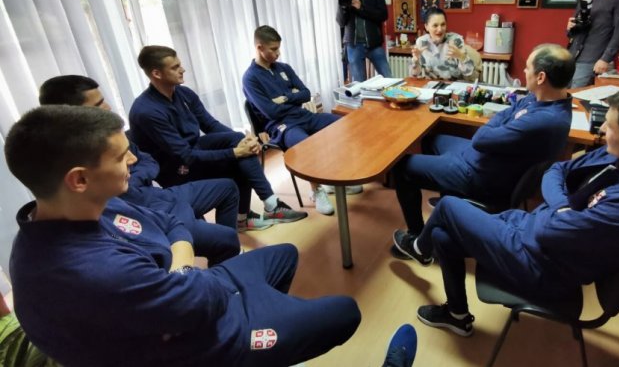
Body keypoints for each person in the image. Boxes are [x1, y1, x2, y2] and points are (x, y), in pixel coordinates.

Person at [6, 105, 361, 366]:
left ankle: (268, 340)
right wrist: (185, 280)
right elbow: (199, 300)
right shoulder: (83, 270)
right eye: (120, 156)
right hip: (199, 345)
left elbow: (170, 223)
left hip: (193, 299)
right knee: (345, 312)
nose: (133, 160)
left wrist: (180, 271)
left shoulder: (88, 206)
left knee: (284, 254)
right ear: (79, 179)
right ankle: (250, 347)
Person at [393, 88, 619, 337]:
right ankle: (457, 314)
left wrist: (554, 213)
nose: (602, 130)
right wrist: (561, 208)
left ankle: (419, 248)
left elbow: (549, 232)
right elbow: (557, 170)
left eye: (610, 127)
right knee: (444, 235)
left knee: (448, 207)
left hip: (546, 268)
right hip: (536, 231)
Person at [39, 75, 244, 264]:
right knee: (227, 240)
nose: (108, 107)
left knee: (227, 188)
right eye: (98, 105)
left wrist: (133, 178)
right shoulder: (76, 163)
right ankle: (222, 270)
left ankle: (221, 257)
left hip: (158, 195)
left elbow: (147, 160)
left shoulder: (111, 133)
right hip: (149, 215)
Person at [392, 44, 574, 245]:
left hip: (481, 175)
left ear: (541, 77)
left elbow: (481, 138)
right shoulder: (542, 99)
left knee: (401, 168)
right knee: (430, 140)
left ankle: (416, 237)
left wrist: (498, 124)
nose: (524, 71)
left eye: (527, 67)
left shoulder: (546, 120)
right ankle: (451, 196)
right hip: (481, 158)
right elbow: (508, 111)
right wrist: (501, 122)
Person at [128, 45, 307, 227]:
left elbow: (210, 125)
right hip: (175, 168)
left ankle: (263, 208)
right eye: (175, 67)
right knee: (239, 160)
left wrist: (244, 141)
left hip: (193, 150)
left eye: (179, 65)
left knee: (237, 141)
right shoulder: (147, 111)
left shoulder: (183, 93)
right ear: (156, 74)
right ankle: (253, 215)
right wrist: (235, 152)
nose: (182, 70)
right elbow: (185, 155)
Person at [242, 25, 363, 216]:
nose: (278, 53)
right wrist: (293, 96)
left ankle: (335, 180)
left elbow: (306, 94)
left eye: (278, 48)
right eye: (273, 49)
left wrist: (285, 98)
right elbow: (271, 112)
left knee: (344, 125)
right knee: (306, 144)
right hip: (281, 126)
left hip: (303, 116)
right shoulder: (250, 78)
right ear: (259, 48)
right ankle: (317, 190)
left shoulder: (284, 68)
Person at [336, 0, 391, 82]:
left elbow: (383, 15)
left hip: (374, 43)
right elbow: (341, 22)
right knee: (359, 85)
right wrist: (343, 7)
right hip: (354, 44)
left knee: (389, 79)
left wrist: (361, 8)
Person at [410, 7, 478, 81]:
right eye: (435, 25)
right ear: (426, 27)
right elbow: (414, 75)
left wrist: (461, 56)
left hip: (453, 85)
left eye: (443, 24)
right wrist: (415, 61)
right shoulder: (422, 42)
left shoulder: (455, 40)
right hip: (431, 86)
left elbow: (469, 73)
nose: (440, 29)